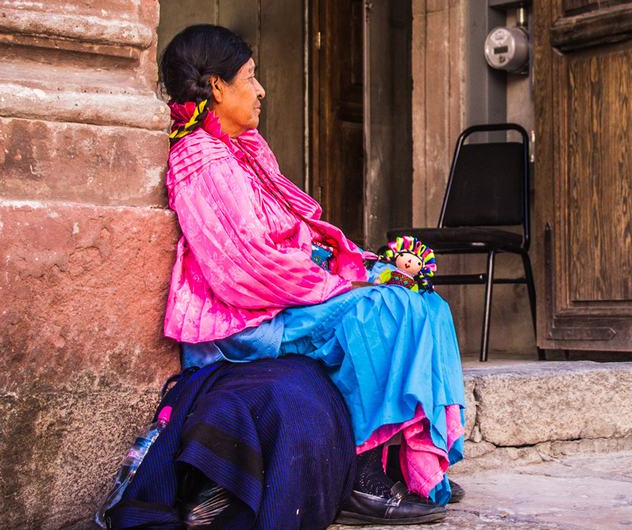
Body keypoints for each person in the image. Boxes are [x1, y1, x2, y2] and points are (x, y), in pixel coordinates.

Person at [158, 24, 467, 526]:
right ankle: (361, 476)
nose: (260, 91)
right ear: (216, 86)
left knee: (424, 302)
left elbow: (295, 233)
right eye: (250, 78)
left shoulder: (244, 150)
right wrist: (343, 285)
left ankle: (414, 468)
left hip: (286, 294)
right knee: (383, 314)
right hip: (245, 320)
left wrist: (366, 265)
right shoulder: (202, 160)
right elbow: (244, 270)